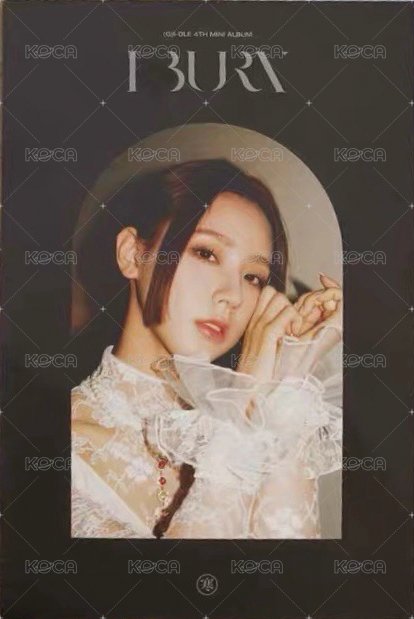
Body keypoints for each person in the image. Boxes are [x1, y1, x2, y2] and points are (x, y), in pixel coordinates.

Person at [71, 158, 343, 539]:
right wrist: (240, 411)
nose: (233, 296)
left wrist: (290, 375)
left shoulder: (262, 431)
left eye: (253, 277)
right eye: (206, 253)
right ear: (132, 254)